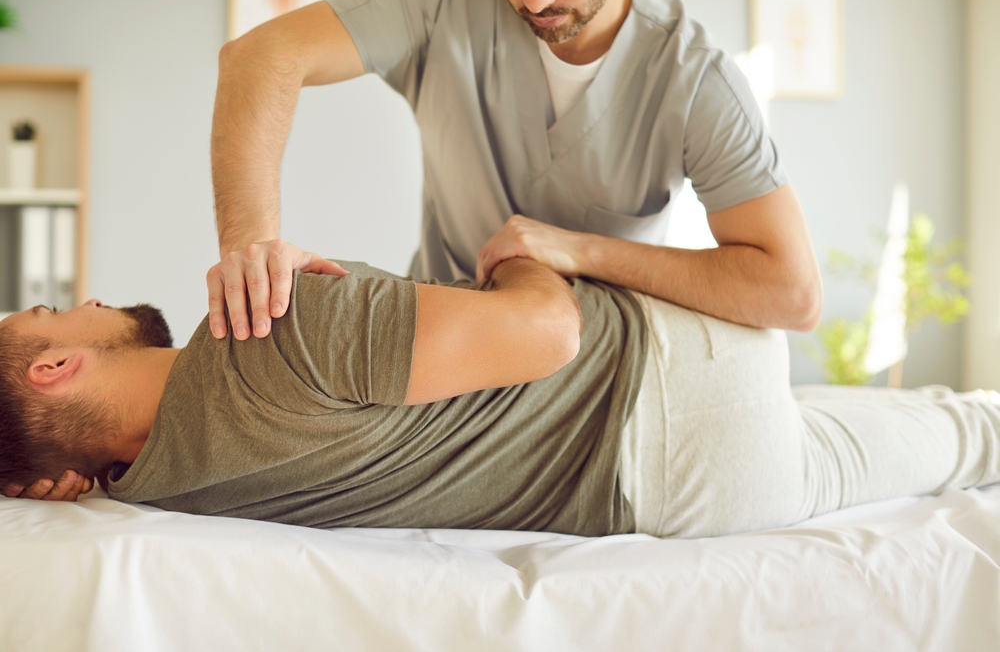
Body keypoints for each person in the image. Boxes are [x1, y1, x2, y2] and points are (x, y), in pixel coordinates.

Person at [2, 257, 998, 538]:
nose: (70, 301)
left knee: (952, 430)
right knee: (963, 431)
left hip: (675, 496)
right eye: (41, 316)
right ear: (56, 370)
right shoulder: (261, 332)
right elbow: (547, 330)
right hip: (674, 382)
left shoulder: (153, 492)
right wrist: (524, 257)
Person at [206, 0, 823, 348]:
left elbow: (793, 293)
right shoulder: (445, 1)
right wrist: (249, 246)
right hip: (435, 352)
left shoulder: (696, 81)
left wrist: (581, 251)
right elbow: (260, 56)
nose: (534, 0)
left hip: (591, 379)